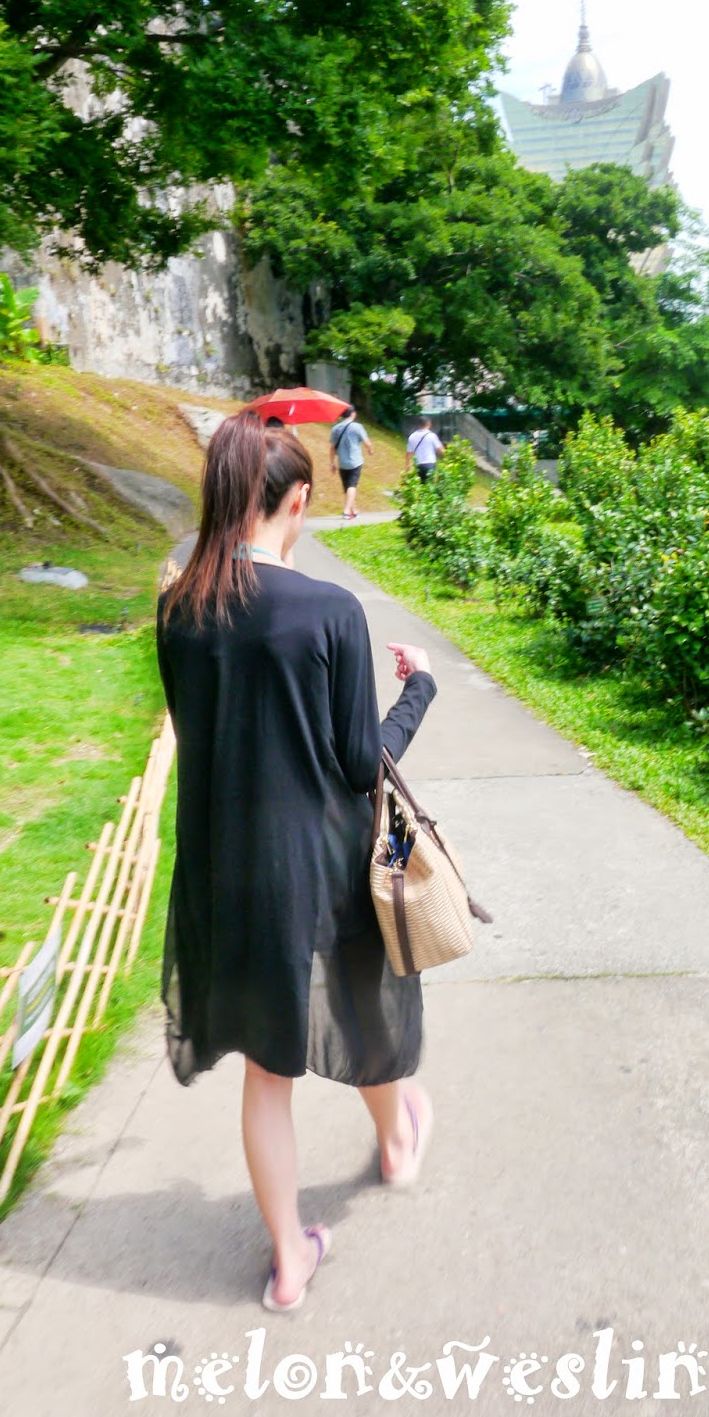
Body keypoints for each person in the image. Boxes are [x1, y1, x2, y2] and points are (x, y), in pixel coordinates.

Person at [156, 413, 437, 1312]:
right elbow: (359, 766)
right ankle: (397, 1141)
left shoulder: (178, 608)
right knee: (364, 1001)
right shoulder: (328, 609)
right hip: (319, 860)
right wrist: (419, 691)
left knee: (266, 1074)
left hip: (224, 869)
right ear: (300, 499)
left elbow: (202, 730)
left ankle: (288, 1265)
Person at [329, 405, 373, 520]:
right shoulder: (357, 427)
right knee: (352, 485)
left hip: (342, 462)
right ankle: (346, 511)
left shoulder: (335, 428)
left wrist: (332, 462)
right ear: (353, 414)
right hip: (355, 461)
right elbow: (367, 442)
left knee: (347, 487)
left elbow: (332, 448)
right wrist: (370, 450)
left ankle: (354, 510)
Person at [405, 416, 444, 481]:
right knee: (430, 485)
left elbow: (408, 454)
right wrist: (449, 458)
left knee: (421, 485)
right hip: (430, 464)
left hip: (418, 465)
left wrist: (407, 466)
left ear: (419, 424)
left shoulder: (412, 436)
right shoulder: (432, 435)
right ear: (429, 424)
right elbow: (441, 450)